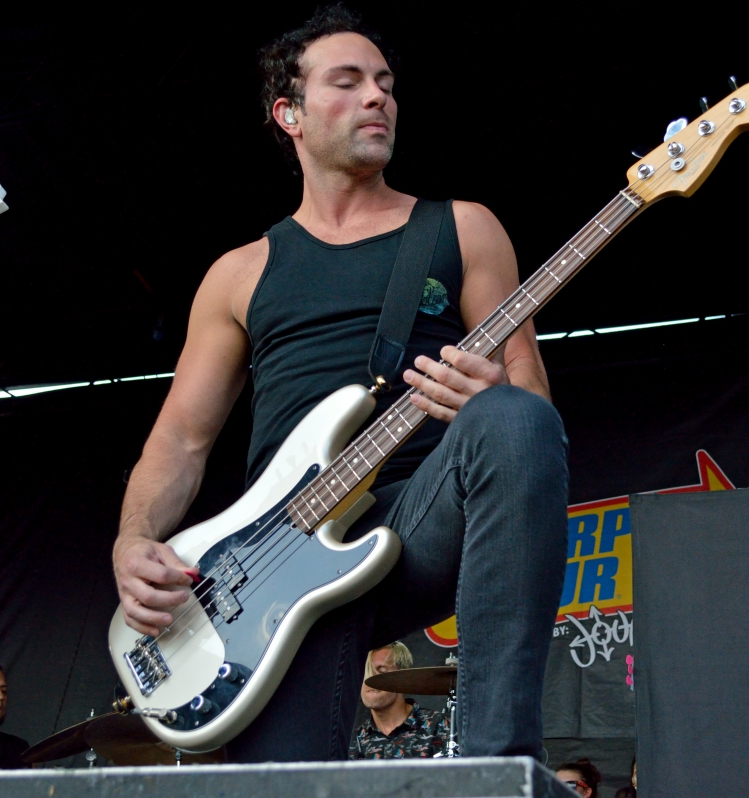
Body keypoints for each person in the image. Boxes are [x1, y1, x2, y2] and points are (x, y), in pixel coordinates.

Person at [110, 5, 568, 763]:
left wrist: (489, 397)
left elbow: (532, 407)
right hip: (281, 562)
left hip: (422, 513)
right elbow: (181, 441)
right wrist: (133, 542)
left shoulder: (462, 228)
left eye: (385, 83)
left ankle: (495, 764)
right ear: (288, 114)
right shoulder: (240, 273)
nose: (377, 96)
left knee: (513, 419)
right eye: (348, 81)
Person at [349, 642, 448, 759]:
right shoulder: (353, 740)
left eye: (381, 672)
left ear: (403, 677)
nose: (370, 679)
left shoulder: (439, 725)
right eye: (365, 672)